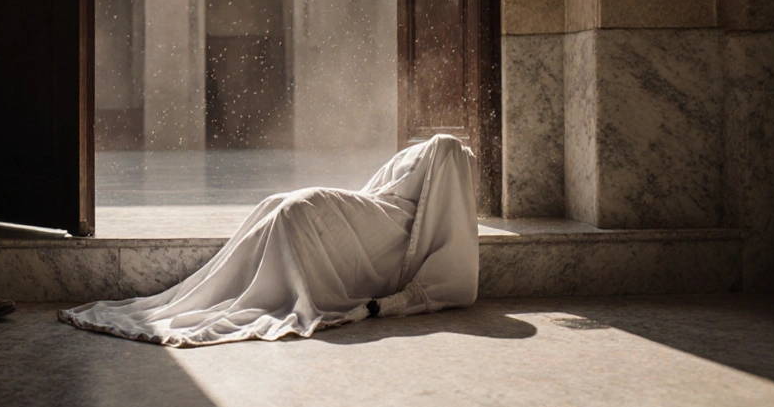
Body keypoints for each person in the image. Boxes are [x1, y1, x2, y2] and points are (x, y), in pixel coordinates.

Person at [59, 134, 479, 347]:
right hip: (314, 212)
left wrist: (385, 306)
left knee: (289, 208)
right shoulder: (417, 196)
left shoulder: (438, 168)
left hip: (313, 215)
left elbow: (449, 285)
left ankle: (203, 298)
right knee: (279, 205)